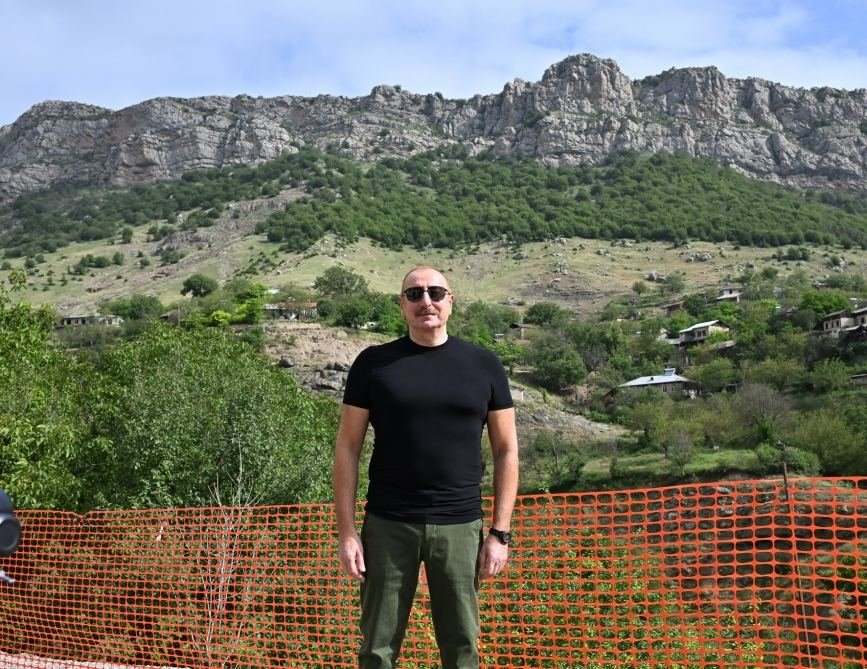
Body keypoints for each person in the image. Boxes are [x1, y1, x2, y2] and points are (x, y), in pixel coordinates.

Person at [333, 266, 519, 669]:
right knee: (377, 648)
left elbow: (507, 450)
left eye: (435, 292)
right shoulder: (373, 364)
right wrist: (347, 533)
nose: (426, 301)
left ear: (451, 301)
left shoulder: (484, 364)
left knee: (462, 645)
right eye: (414, 294)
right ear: (401, 305)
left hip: (460, 526)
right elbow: (347, 447)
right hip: (388, 524)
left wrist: (500, 533)